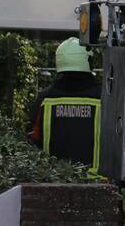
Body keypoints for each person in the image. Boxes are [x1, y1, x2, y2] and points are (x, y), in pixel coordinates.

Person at [26, 38, 103, 178]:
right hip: (98, 185)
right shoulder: (104, 98)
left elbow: (32, 139)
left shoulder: (45, 98)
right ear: (88, 62)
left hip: (54, 184)